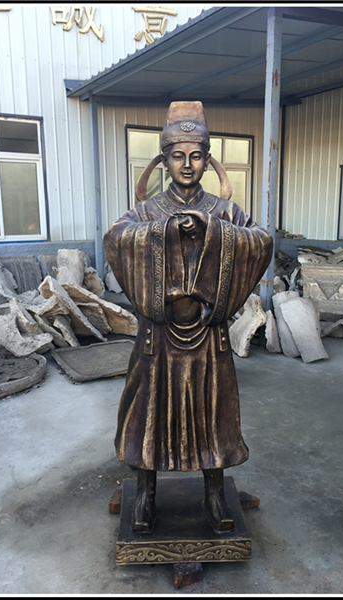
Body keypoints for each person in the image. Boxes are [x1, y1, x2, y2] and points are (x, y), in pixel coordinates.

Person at [103, 101, 273, 534]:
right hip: (158, 334)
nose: (186, 164)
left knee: (212, 414)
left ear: (207, 160)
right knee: (150, 413)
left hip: (208, 332)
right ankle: (146, 492)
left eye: (196, 156)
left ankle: (214, 492)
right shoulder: (146, 213)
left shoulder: (225, 212)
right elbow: (115, 238)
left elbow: (261, 241)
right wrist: (163, 231)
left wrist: (213, 230)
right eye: (177, 156)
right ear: (163, 160)